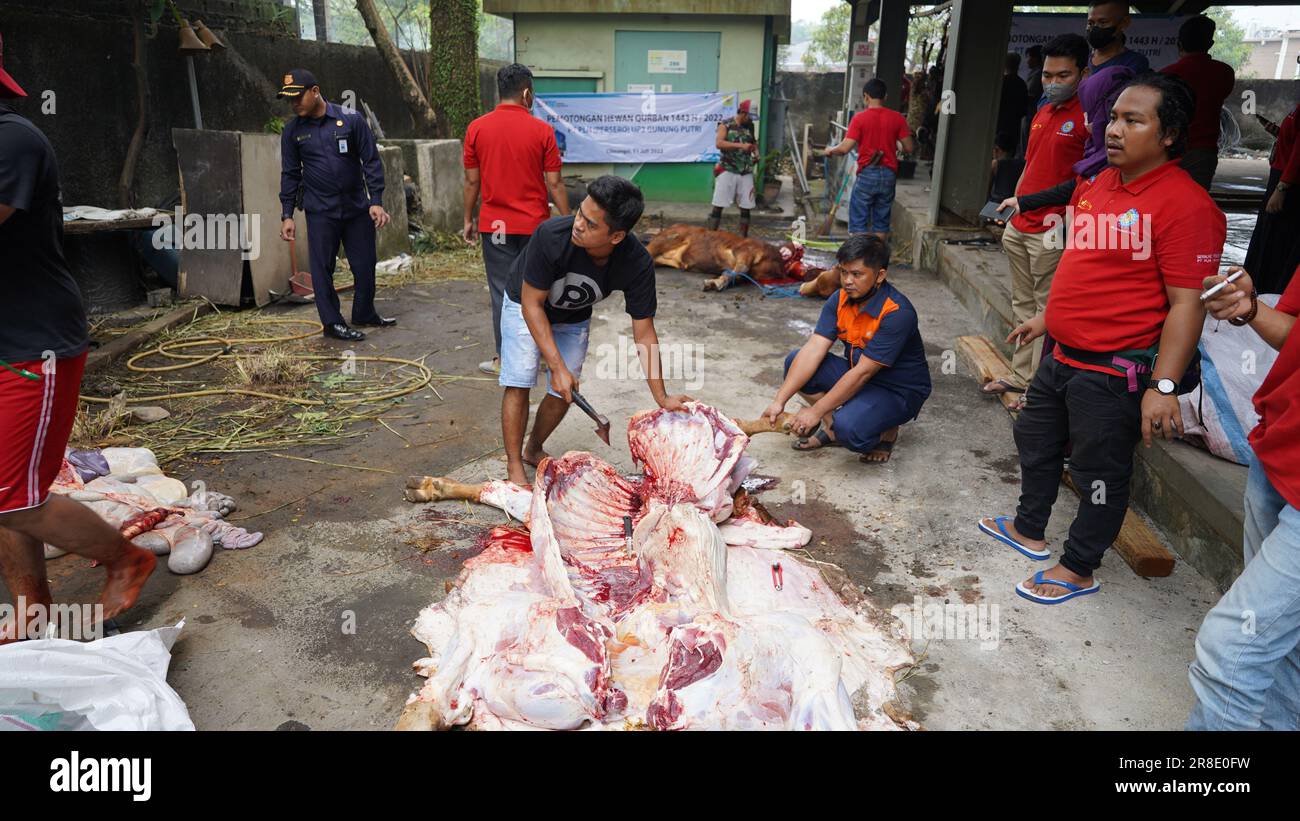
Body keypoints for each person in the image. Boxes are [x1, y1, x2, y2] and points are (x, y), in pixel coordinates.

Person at [979, 72, 1224, 604]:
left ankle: (1079, 566)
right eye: (1113, 117)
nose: (1114, 130)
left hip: (1112, 372)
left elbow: (1187, 305)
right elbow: (1086, 266)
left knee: (1098, 473)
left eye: (1133, 121)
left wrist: (1162, 387)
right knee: (1036, 441)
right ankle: (1029, 528)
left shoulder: (1188, 206)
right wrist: (1049, 318)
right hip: (1061, 355)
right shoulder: (1097, 183)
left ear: (1169, 135)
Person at [0, 36, 155, 642]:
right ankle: (31, 608)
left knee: (13, 498)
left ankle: (126, 558)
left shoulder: (13, 141)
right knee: (7, 488)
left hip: (33, 346)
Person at [499, 175, 690, 485]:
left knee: (564, 391)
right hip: (525, 303)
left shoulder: (636, 263)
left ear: (616, 236)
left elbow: (644, 333)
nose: (578, 224)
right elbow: (532, 306)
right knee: (520, 378)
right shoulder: (550, 235)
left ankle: (533, 448)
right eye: (579, 214)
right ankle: (513, 467)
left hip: (573, 315)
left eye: (590, 224)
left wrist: (662, 396)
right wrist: (555, 365)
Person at [1186, 263, 1300, 730]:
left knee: (1231, 646)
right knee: (1282, 643)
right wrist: (1249, 309)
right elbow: (1292, 334)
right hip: (1282, 451)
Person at [982, 34, 1089, 401]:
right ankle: (1020, 374)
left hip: (1052, 228)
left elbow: (1081, 182)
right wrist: (1015, 209)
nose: (1053, 83)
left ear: (1083, 73)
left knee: (1048, 309)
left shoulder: (1090, 119)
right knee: (1022, 305)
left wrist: (1034, 203)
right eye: (1047, 75)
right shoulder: (1043, 110)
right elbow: (1031, 165)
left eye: (1063, 75)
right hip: (1021, 224)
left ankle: (1038, 387)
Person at [763, 234, 931, 464]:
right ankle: (833, 428)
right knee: (796, 361)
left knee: (851, 431)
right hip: (859, 375)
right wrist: (779, 401)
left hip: (898, 390)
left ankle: (887, 431)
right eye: (843, 272)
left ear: (880, 275)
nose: (847, 281)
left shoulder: (897, 312)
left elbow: (863, 373)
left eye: (857, 274)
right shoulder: (839, 299)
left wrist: (815, 412)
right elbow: (814, 349)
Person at [462, 63, 569, 376]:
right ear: (526, 94)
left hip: (495, 228)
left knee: (501, 292)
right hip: (536, 227)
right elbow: (555, 184)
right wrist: (568, 222)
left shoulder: (477, 128)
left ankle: (504, 360)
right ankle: (545, 359)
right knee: (538, 290)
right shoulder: (542, 131)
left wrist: (468, 218)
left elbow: (471, 182)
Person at [278, 68, 393, 341]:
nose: (293, 104)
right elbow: (290, 174)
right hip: (321, 211)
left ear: (315, 91)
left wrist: (376, 201)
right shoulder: (292, 131)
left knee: (365, 264)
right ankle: (332, 323)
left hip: (355, 207)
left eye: (298, 97)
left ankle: (364, 313)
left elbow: (371, 161)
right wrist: (287, 214)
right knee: (322, 269)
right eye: (288, 99)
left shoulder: (351, 119)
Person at [822, 78, 914, 242]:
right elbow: (909, 148)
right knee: (881, 222)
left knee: (858, 223)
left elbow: (844, 148)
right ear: (885, 96)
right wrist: (896, 143)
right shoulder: (897, 118)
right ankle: (876, 259)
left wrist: (830, 150)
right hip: (888, 175)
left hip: (867, 174)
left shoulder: (859, 119)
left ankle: (859, 258)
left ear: (866, 96)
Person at [1160, 14, 1235, 191]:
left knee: (1163, 199)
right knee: (1194, 202)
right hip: (1203, 151)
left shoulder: (1166, 75)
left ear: (1179, 44)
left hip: (1168, 148)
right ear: (1210, 45)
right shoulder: (1224, 72)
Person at [1244, 100, 1300, 296]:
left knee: (1277, 238)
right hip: (1281, 176)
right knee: (1268, 234)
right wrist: (1278, 133)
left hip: (1288, 183)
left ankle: (1271, 290)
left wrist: (1282, 187)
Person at [709, 99, 759, 238]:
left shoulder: (750, 126)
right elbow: (719, 143)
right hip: (727, 169)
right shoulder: (725, 124)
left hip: (745, 171)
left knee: (746, 206)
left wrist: (756, 153)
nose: (750, 119)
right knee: (719, 204)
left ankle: (743, 238)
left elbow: (753, 142)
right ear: (742, 113)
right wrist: (740, 146)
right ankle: (711, 236)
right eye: (749, 116)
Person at [1085, 1, 1150, 74]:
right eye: (1090, 23)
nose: (1094, 28)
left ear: (1124, 23)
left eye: (1103, 22)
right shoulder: (1080, 57)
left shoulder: (1134, 63)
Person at [998, 52, 1029, 150]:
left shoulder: (1001, 83)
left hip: (1000, 127)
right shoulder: (1021, 84)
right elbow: (1023, 109)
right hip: (1014, 127)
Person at [990, 132, 1025, 205]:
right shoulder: (1022, 165)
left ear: (996, 149)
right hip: (1012, 204)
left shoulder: (995, 164)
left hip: (995, 204)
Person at [1022, 45, 1045, 154]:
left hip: (1032, 113)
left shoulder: (1038, 74)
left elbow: (1031, 93)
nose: (1027, 60)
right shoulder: (1034, 72)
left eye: (1030, 57)